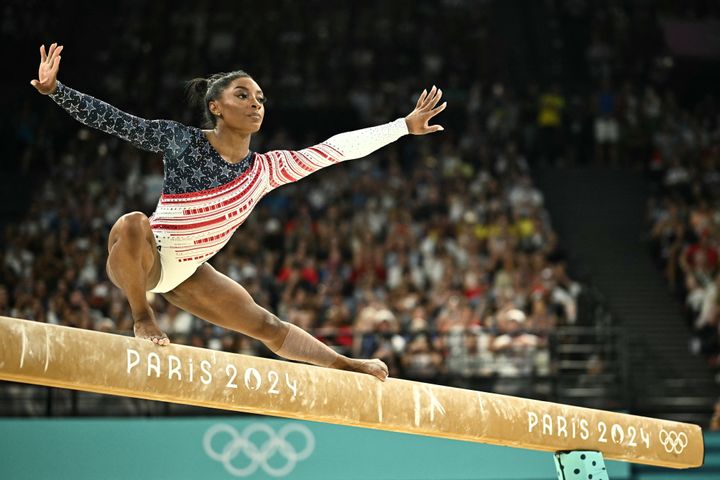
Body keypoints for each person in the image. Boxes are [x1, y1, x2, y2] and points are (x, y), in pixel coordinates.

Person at [30, 43, 447, 381]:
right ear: (215, 106)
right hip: (143, 259)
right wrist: (56, 90)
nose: (255, 104)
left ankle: (346, 364)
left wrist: (402, 127)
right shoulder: (182, 141)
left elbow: (335, 150)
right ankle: (142, 316)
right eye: (242, 95)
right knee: (132, 223)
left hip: (189, 273)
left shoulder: (266, 169)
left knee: (266, 326)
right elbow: (117, 121)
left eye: (260, 98)